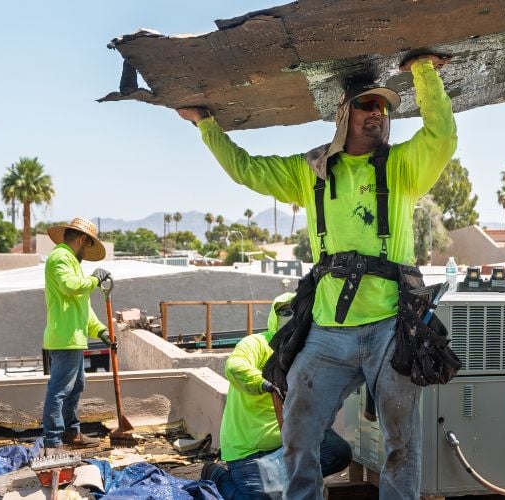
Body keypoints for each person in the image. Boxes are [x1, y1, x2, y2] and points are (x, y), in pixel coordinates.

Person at [177, 53, 456, 499]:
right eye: (366, 105)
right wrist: (207, 125)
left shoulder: (401, 166)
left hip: (390, 327)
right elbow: (246, 169)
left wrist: (423, 71)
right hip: (328, 332)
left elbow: (441, 136)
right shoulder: (310, 172)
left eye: (383, 108)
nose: (377, 114)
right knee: (299, 429)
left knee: (402, 441)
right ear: (343, 113)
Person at [202, 293, 352, 499]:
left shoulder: (308, 352)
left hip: (289, 444)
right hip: (250, 452)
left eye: (297, 312)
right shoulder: (257, 343)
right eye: (284, 311)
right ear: (274, 315)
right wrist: (265, 383)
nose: (290, 317)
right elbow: (235, 366)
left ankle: (288, 482)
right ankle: (215, 474)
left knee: (338, 452)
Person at [41, 217, 113, 452]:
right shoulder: (60, 257)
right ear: (82, 240)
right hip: (64, 338)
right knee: (60, 390)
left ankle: (71, 433)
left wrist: (100, 330)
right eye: (88, 246)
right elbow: (70, 286)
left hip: (73, 338)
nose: (86, 252)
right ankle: (53, 441)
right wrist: (94, 279)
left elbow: (83, 309)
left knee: (75, 387)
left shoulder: (71, 262)